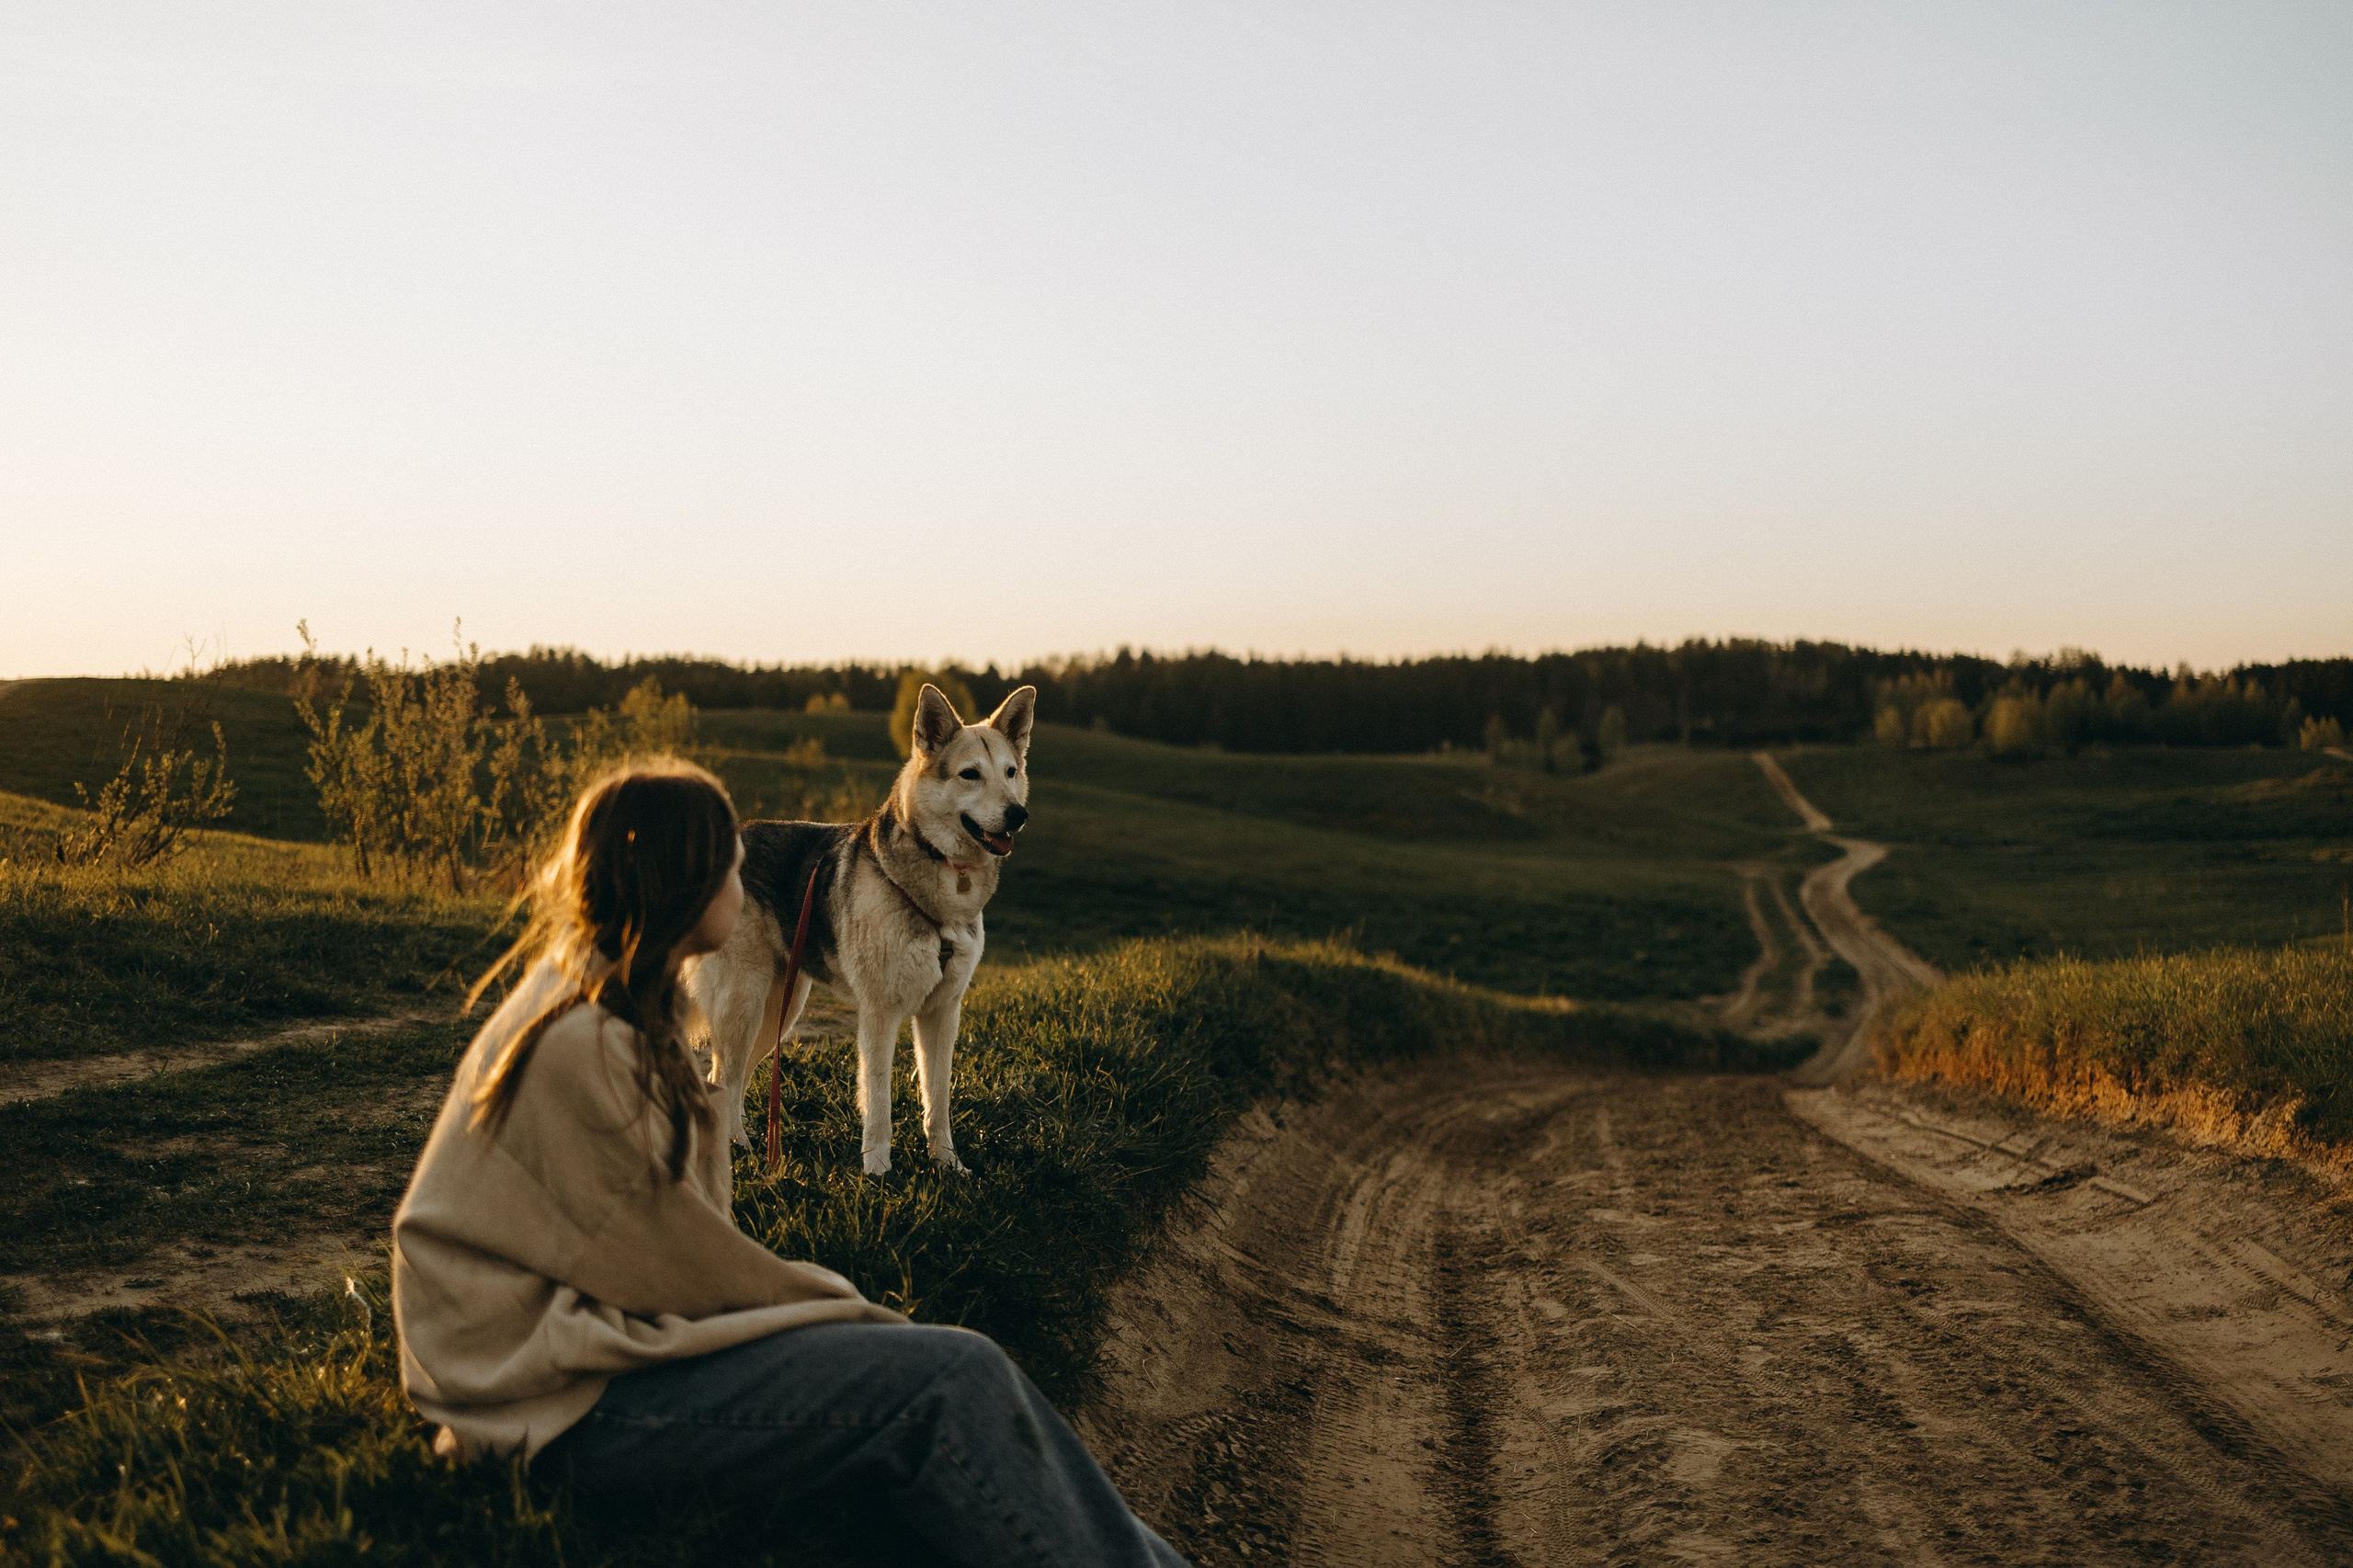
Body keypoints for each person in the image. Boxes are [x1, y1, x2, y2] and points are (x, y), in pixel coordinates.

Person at [391, 759, 1188, 1566]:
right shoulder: (588, 1041)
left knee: (955, 1374)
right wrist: (840, 1307)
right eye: (730, 864)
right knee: (953, 1378)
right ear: (683, 881)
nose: (746, 874)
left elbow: (659, 1254)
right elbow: (680, 1270)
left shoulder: (601, 998)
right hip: (551, 1410)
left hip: (555, 1376)